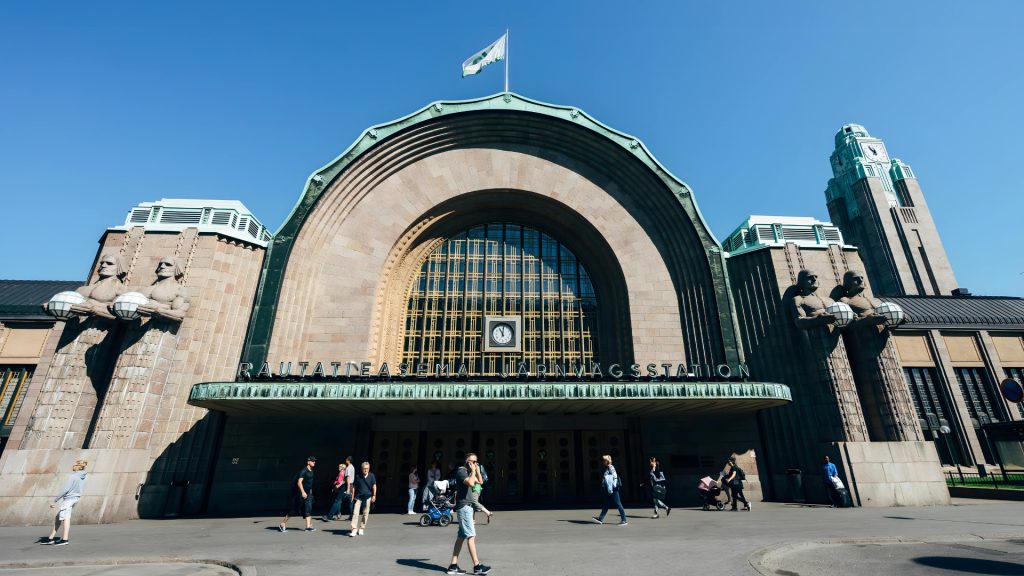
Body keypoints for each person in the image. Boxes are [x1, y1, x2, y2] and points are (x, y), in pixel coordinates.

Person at [447, 453, 491, 575]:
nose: (474, 464)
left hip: (468, 507)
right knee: (471, 536)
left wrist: (476, 470)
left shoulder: (469, 471)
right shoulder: (461, 471)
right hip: (464, 507)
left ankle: (453, 565)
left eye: (476, 462)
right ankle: (477, 567)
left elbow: (480, 482)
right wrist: (472, 471)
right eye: (472, 461)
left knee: (461, 537)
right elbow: (471, 484)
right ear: (467, 461)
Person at [41, 459, 88, 546]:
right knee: (58, 517)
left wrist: (55, 500)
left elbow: (65, 490)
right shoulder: (84, 476)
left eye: (74, 465)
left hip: (69, 499)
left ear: (77, 466)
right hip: (75, 498)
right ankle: (51, 537)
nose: (72, 466)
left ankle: (65, 539)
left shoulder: (73, 476)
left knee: (66, 518)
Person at [279, 456, 317, 532]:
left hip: (308, 493)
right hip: (301, 493)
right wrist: (303, 492)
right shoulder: (304, 471)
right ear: (308, 462)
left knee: (308, 509)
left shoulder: (311, 470)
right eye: (313, 461)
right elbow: (299, 482)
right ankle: (282, 523)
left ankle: (308, 526)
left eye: (314, 461)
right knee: (294, 510)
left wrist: (310, 492)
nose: (314, 462)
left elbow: (310, 483)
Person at [592, 454, 627, 526]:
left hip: (612, 489)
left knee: (618, 503)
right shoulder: (608, 468)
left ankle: (624, 520)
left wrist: (612, 487)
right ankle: (600, 519)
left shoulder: (611, 467)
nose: (603, 461)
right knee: (606, 504)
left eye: (604, 460)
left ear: (607, 461)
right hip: (609, 489)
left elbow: (615, 477)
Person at [349, 461, 377, 537]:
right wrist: (352, 496)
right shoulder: (358, 476)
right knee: (355, 513)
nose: (365, 470)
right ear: (361, 469)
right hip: (358, 497)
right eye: (364, 468)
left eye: (367, 468)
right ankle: (354, 529)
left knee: (365, 513)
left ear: (369, 468)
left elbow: (374, 486)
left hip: (368, 497)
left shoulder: (371, 476)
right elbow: (354, 487)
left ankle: (361, 528)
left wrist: (374, 495)